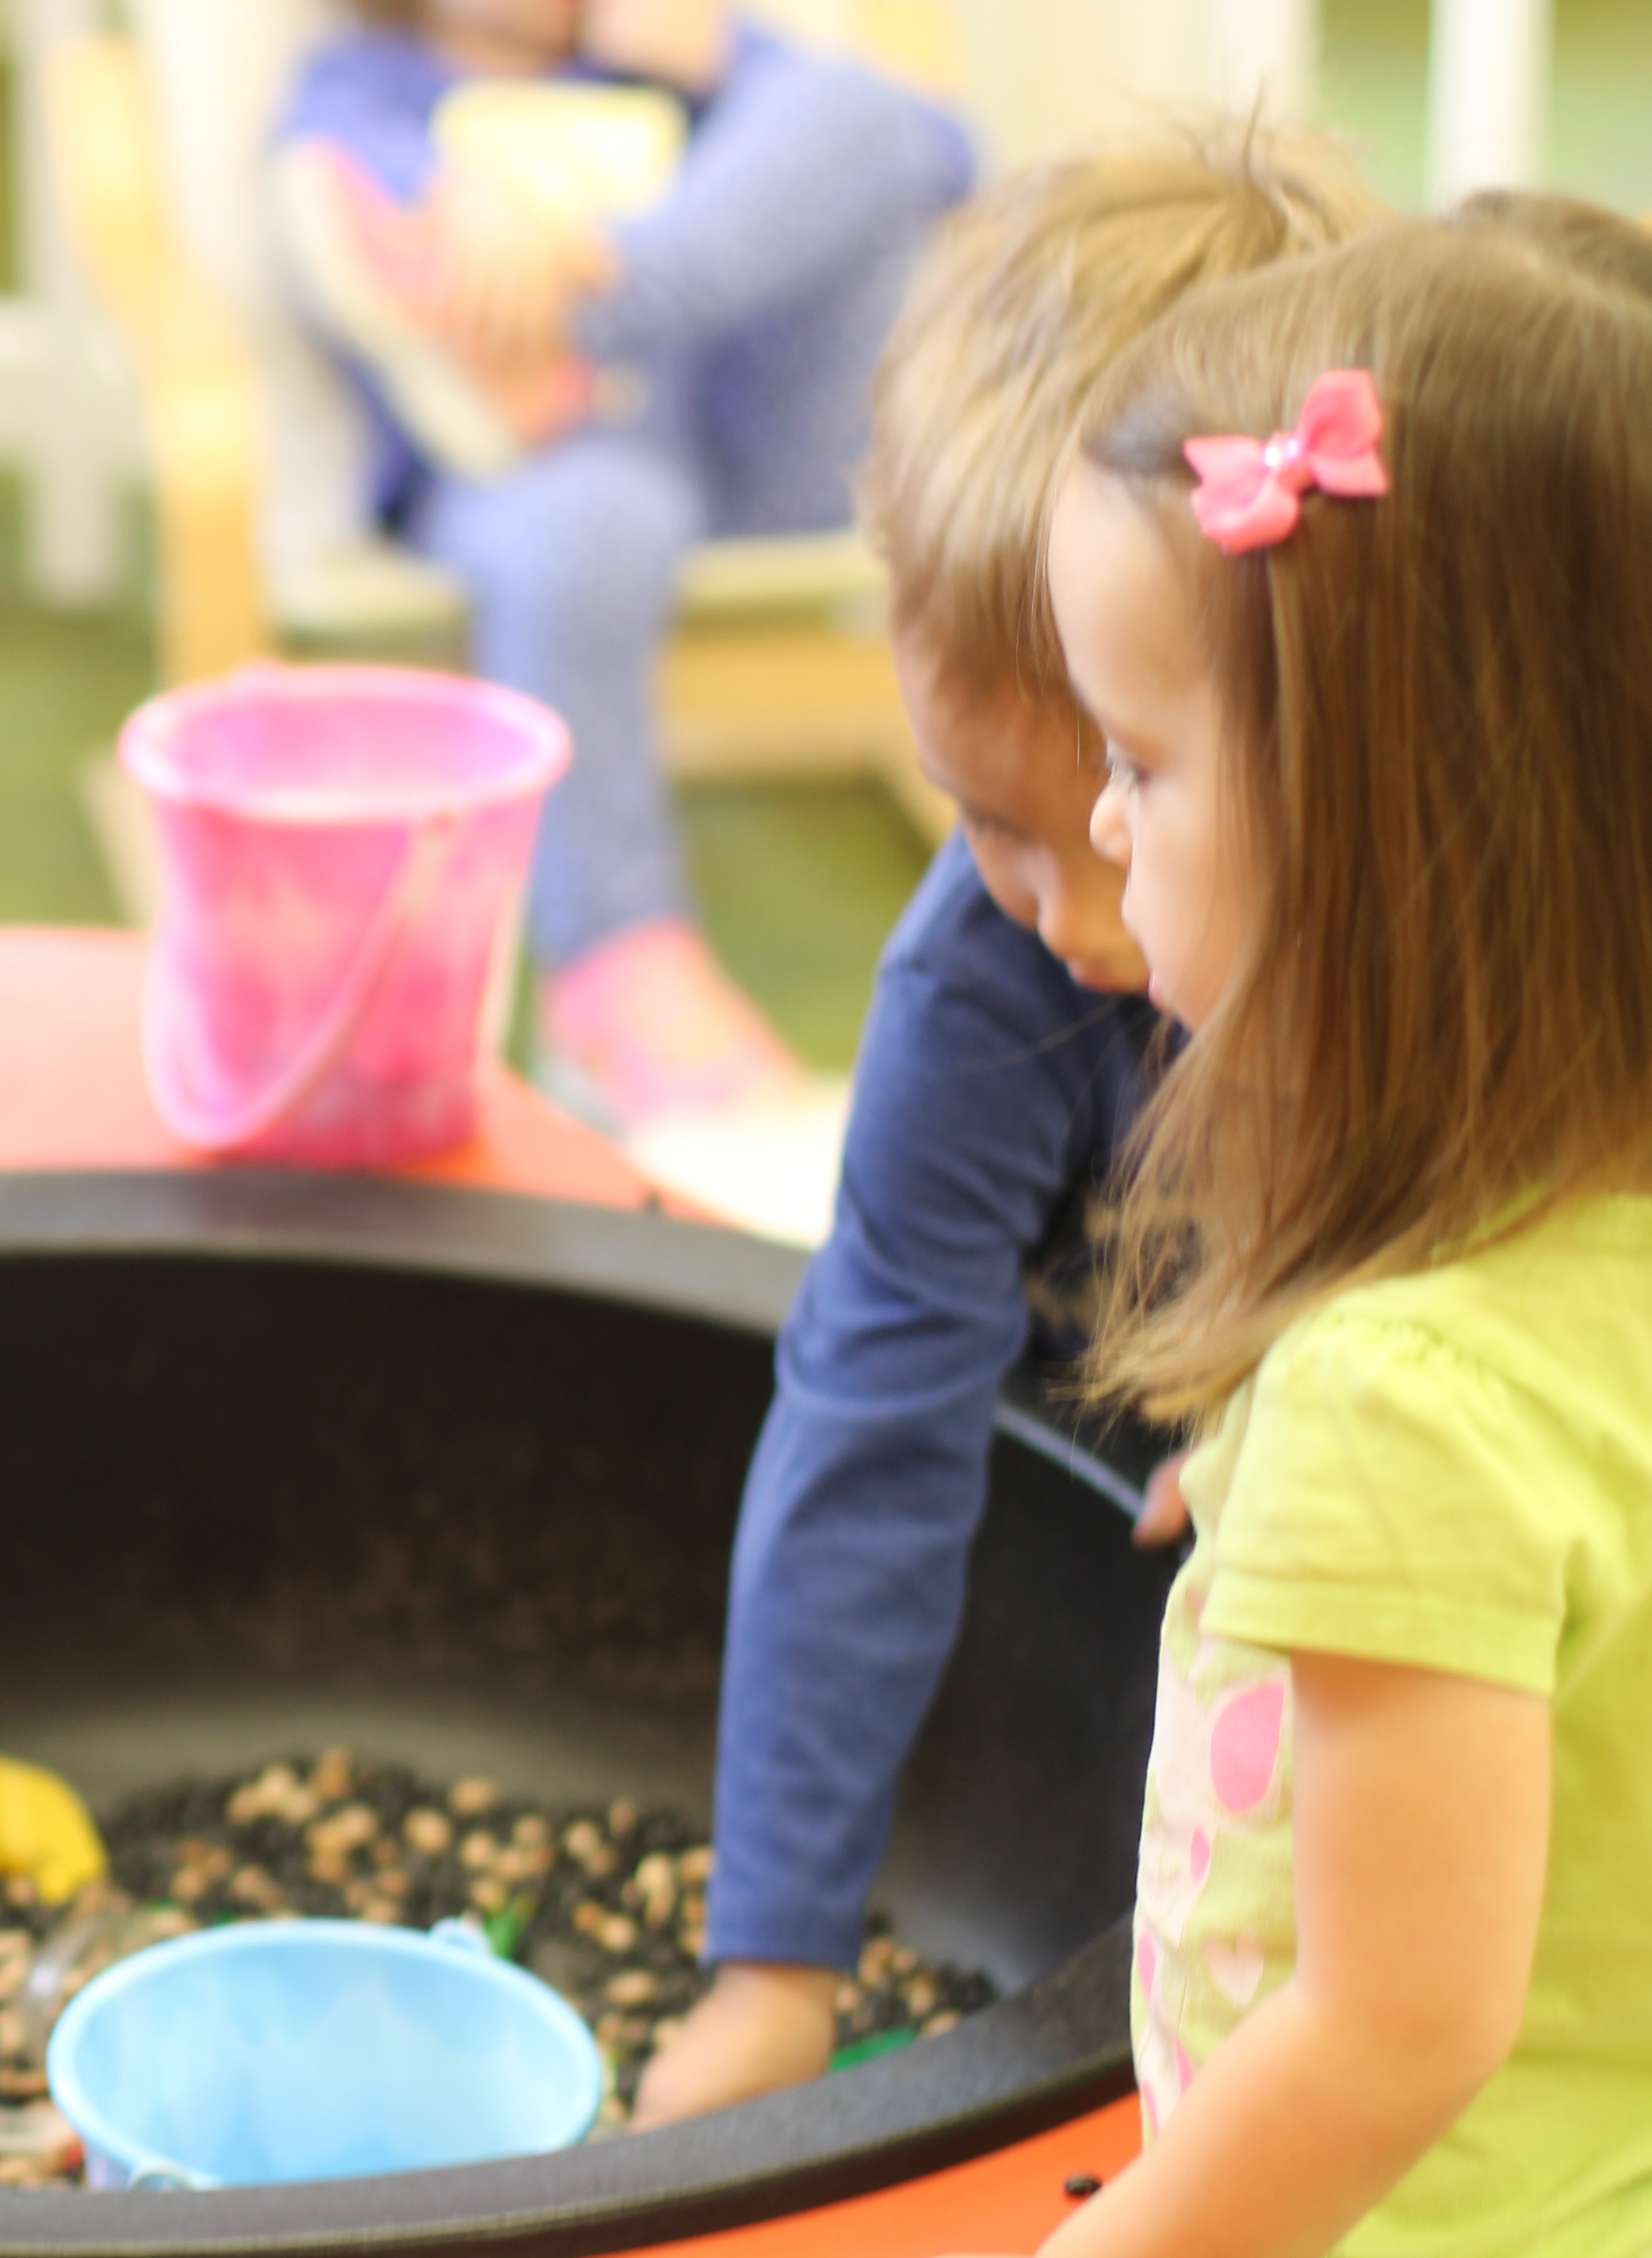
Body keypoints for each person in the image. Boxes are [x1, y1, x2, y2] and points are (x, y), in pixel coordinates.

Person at [633, 127, 1384, 2127]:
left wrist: (1304, 1395)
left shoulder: (1452, 943)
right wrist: (776, 1965)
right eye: (987, 819)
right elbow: (869, 1422)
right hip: (1095, 1514)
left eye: (1128, 804)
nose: (1070, 911)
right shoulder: (981, 987)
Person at [1005, 196, 1652, 2257]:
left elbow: (1388, 2032)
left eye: (1140, 759)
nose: (1102, 822)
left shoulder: (1411, 1404)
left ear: (1386, 829)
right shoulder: (1556, 1260)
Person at [273, 0, 971, 1128]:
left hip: (753, 450)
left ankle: (593, 307)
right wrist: (460, 200)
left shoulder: (673, 69)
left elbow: (940, 160)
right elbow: (323, 182)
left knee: (855, 106)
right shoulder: (377, 90)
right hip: (544, 475)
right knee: (591, 517)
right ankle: (615, 965)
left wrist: (726, 61)